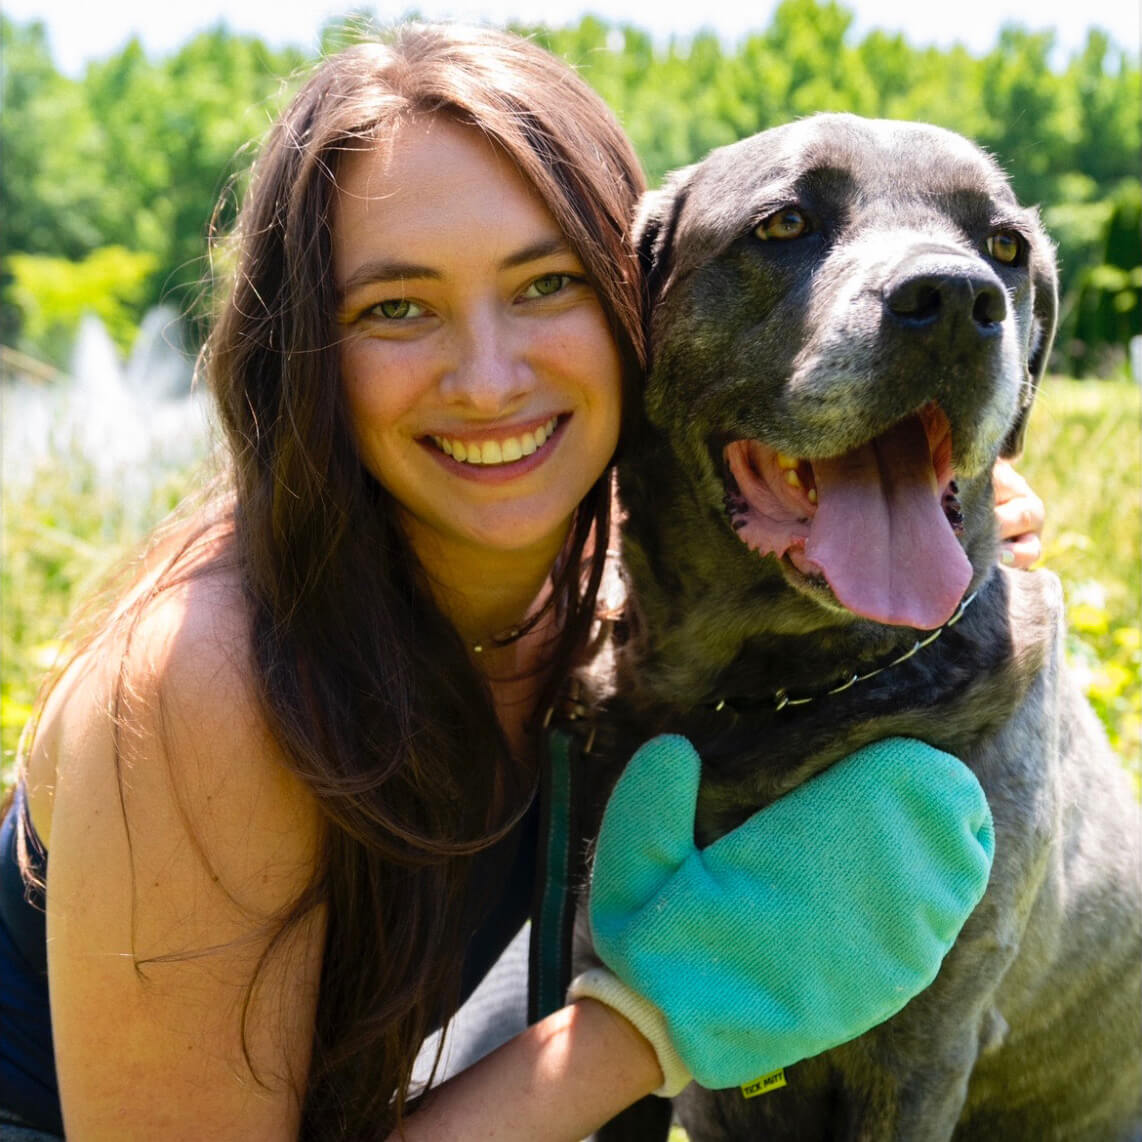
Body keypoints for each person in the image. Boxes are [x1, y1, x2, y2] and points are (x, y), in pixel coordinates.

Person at [0, 24, 1043, 1142]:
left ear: (635, 301)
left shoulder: (600, 604)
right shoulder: (204, 686)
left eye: (545, 285)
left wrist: (910, 507)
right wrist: (645, 1024)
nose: (489, 378)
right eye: (395, 307)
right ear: (296, 354)